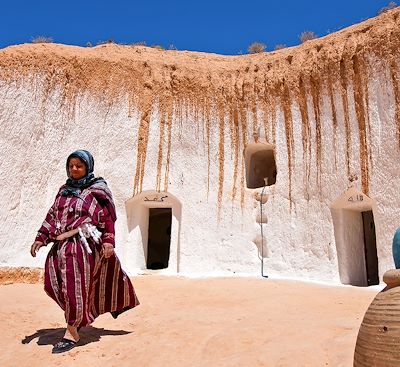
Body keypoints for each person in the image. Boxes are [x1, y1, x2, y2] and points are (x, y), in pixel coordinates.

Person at [30, 150, 139, 354]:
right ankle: (78, 316)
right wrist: (41, 238)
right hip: (59, 248)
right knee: (54, 285)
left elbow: (107, 219)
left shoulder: (96, 191)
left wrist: (108, 242)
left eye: (79, 166)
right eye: (71, 165)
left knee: (74, 289)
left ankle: (72, 332)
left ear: (87, 167)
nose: (74, 169)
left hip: (83, 248)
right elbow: (52, 216)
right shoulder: (63, 190)